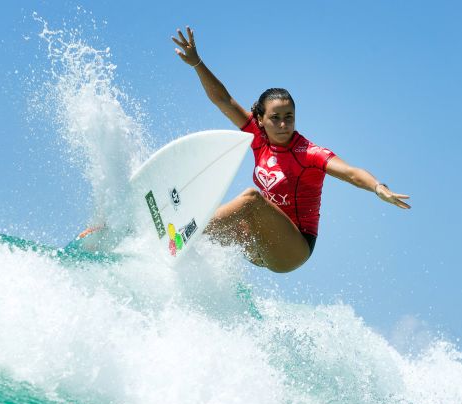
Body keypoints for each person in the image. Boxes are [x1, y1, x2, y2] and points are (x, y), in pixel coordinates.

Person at [171, 26, 411, 273]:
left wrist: (377, 187)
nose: (284, 124)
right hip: (259, 245)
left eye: (289, 117)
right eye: (276, 117)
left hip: (293, 250)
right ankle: (185, 256)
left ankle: (186, 232)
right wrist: (197, 63)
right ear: (261, 119)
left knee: (251, 199)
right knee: (236, 217)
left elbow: (350, 172)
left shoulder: (308, 153)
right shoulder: (257, 136)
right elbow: (224, 100)